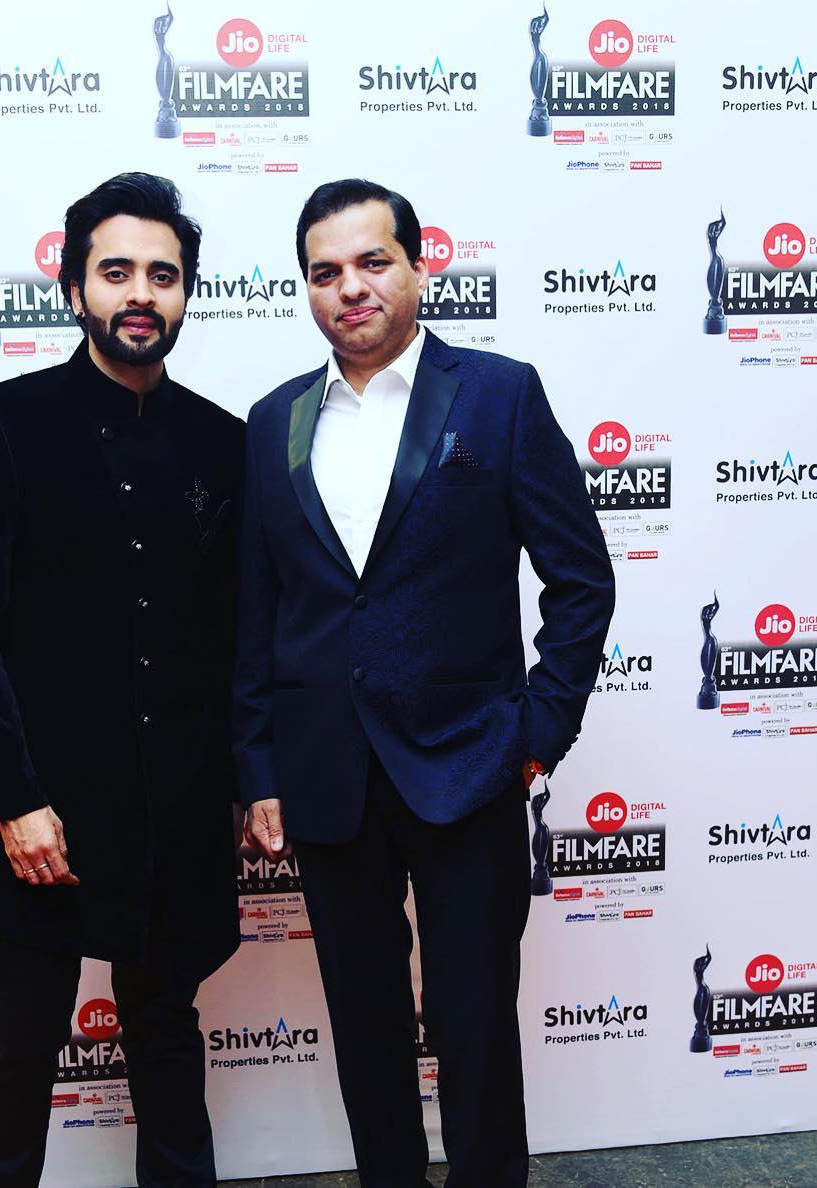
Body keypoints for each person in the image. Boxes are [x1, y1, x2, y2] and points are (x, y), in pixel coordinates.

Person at [233, 179, 615, 1188]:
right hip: (328, 776)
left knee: (473, 1023)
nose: (350, 288)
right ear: (307, 288)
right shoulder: (273, 423)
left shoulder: (499, 394)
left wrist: (538, 730)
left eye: (372, 261)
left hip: (468, 764)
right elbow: (258, 615)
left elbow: (580, 579)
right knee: (364, 1027)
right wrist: (259, 769)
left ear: (418, 263)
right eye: (325, 272)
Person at [0, 172, 244, 1188]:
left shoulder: (224, 443)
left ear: (186, 293)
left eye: (164, 274)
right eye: (116, 272)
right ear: (73, 289)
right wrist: (13, 800)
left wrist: (245, 781)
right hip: (42, 815)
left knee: (168, 1038)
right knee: (20, 1049)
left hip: (175, 812)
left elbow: (235, 634)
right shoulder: (2, 423)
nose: (140, 293)